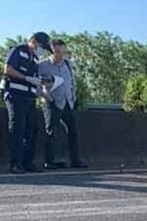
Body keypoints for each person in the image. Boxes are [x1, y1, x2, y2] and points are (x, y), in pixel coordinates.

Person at [2, 32, 51, 174]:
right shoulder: (18, 51)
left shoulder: (35, 58)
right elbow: (8, 70)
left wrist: (41, 86)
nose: (41, 50)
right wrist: (27, 78)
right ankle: (15, 163)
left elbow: (35, 79)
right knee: (18, 128)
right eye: (41, 46)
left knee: (32, 130)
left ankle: (28, 162)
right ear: (34, 41)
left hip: (30, 97)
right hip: (15, 94)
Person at [38, 39, 88, 169]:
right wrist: (45, 96)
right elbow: (36, 84)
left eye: (63, 52)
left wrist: (73, 95)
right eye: (57, 52)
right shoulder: (42, 65)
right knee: (51, 131)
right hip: (52, 102)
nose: (60, 55)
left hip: (67, 102)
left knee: (73, 131)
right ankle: (49, 161)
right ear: (52, 51)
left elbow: (71, 81)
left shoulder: (67, 64)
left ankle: (75, 160)